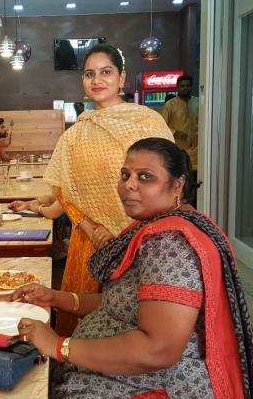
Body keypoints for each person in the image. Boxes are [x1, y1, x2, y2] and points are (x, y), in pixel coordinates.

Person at [10, 138, 253, 399]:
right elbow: (122, 303)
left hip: (153, 387)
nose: (129, 185)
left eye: (145, 177)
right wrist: (55, 298)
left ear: (177, 185)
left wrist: (58, 346)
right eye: (126, 175)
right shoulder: (162, 225)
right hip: (120, 375)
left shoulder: (170, 244)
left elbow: (158, 350)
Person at [44, 43, 174, 336]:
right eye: (90, 74)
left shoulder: (147, 121)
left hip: (141, 241)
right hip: (88, 242)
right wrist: (91, 228)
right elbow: (66, 191)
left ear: (121, 77)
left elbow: (165, 181)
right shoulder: (75, 134)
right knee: (83, 329)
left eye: (106, 72)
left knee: (133, 326)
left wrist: (124, 232)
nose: (97, 80)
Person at [162, 75, 199, 151]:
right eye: (182, 86)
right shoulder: (170, 104)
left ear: (191, 87)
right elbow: (162, 125)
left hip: (195, 147)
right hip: (177, 146)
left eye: (188, 85)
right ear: (177, 88)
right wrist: (175, 132)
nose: (185, 88)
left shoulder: (197, 102)